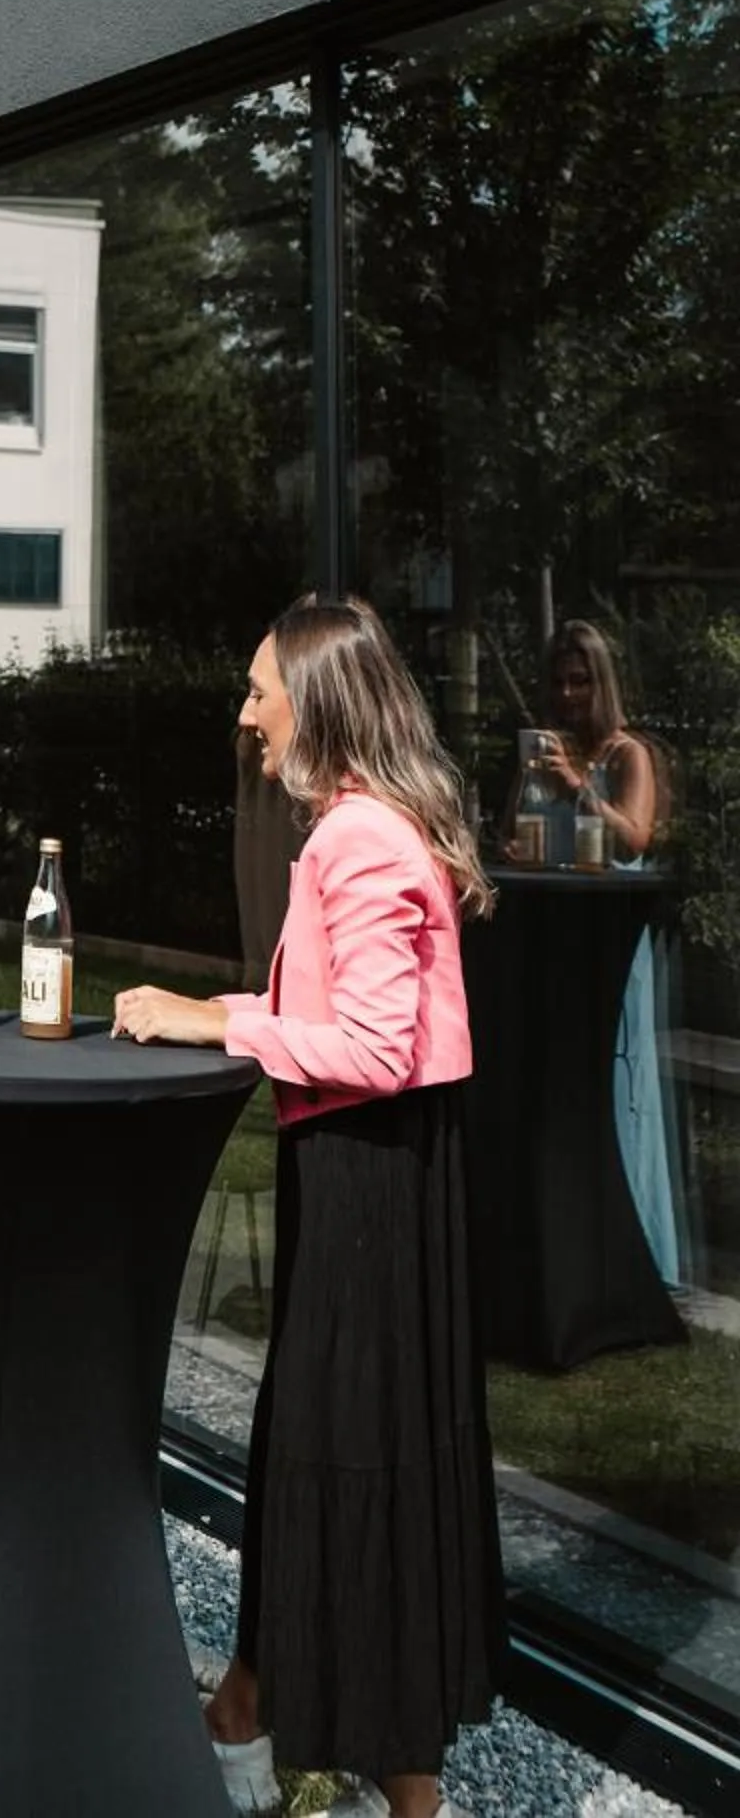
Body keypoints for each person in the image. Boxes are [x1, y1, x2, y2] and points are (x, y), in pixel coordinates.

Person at [114, 596, 503, 1818]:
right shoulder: (375, 827)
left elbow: (377, 1049)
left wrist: (211, 1017)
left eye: (255, 691)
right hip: (384, 1180)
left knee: (343, 1466)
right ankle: (265, 1718)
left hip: (367, 1184)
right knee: (347, 1464)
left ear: (315, 701)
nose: (243, 713)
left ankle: (350, 1769)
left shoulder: (357, 839)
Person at [528, 618, 682, 1285]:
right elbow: (520, 834)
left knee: (619, 1088)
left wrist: (578, 788)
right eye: (560, 681)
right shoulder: (549, 750)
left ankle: (635, 1251)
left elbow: (636, 839)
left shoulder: (628, 755)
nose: (568, 694)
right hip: (559, 940)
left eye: (580, 681)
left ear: (602, 683)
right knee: (565, 1092)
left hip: (613, 945)